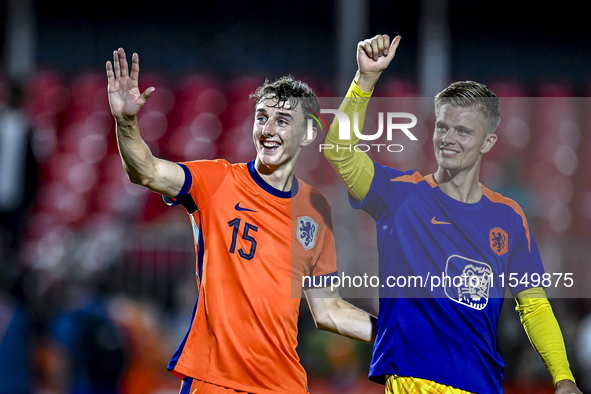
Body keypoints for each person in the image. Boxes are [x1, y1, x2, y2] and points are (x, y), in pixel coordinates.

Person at [106, 48, 376, 394]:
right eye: (261, 117)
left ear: (308, 134)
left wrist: (391, 332)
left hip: (284, 385)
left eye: (282, 120)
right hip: (216, 380)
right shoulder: (218, 181)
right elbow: (145, 170)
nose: (268, 129)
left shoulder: (315, 208)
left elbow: (329, 311)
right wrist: (126, 122)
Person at [323, 34, 582, 394]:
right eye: (443, 127)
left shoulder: (508, 217)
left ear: (488, 142)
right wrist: (364, 80)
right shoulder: (400, 195)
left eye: (463, 131)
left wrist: (563, 376)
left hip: (482, 384)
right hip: (415, 379)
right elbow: (340, 151)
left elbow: (534, 307)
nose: (448, 138)